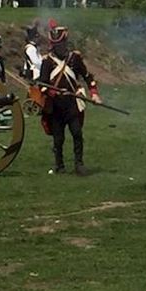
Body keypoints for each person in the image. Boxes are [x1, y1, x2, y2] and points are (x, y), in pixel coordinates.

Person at [38, 20, 101, 175]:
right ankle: (59, 165)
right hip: (56, 105)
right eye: (56, 45)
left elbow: (87, 77)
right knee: (58, 138)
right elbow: (42, 85)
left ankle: (79, 164)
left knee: (77, 134)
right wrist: (55, 93)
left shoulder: (74, 58)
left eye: (61, 44)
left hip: (72, 104)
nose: (59, 47)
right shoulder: (47, 62)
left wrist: (94, 93)